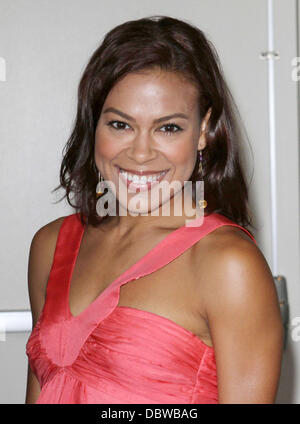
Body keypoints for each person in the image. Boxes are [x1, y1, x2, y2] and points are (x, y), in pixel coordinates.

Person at [25, 15, 283, 404]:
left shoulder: (228, 264)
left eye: (168, 128)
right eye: (120, 125)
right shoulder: (50, 245)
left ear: (203, 131)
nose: (140, 153)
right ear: (94, 123)